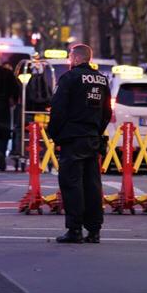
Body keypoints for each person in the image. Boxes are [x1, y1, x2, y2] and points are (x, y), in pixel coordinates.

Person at [46, 44, 111, 244]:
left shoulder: (69, 78)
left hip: (72, 137)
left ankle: (74, 230)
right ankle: (94, 230)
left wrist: (54, 134)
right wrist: (97, 132)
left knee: (71, 184)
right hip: (92, 137)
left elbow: (58, 109)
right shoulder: (101, 79)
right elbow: (106, 112)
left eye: (70, 57)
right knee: (92, 185)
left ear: (75, 58)